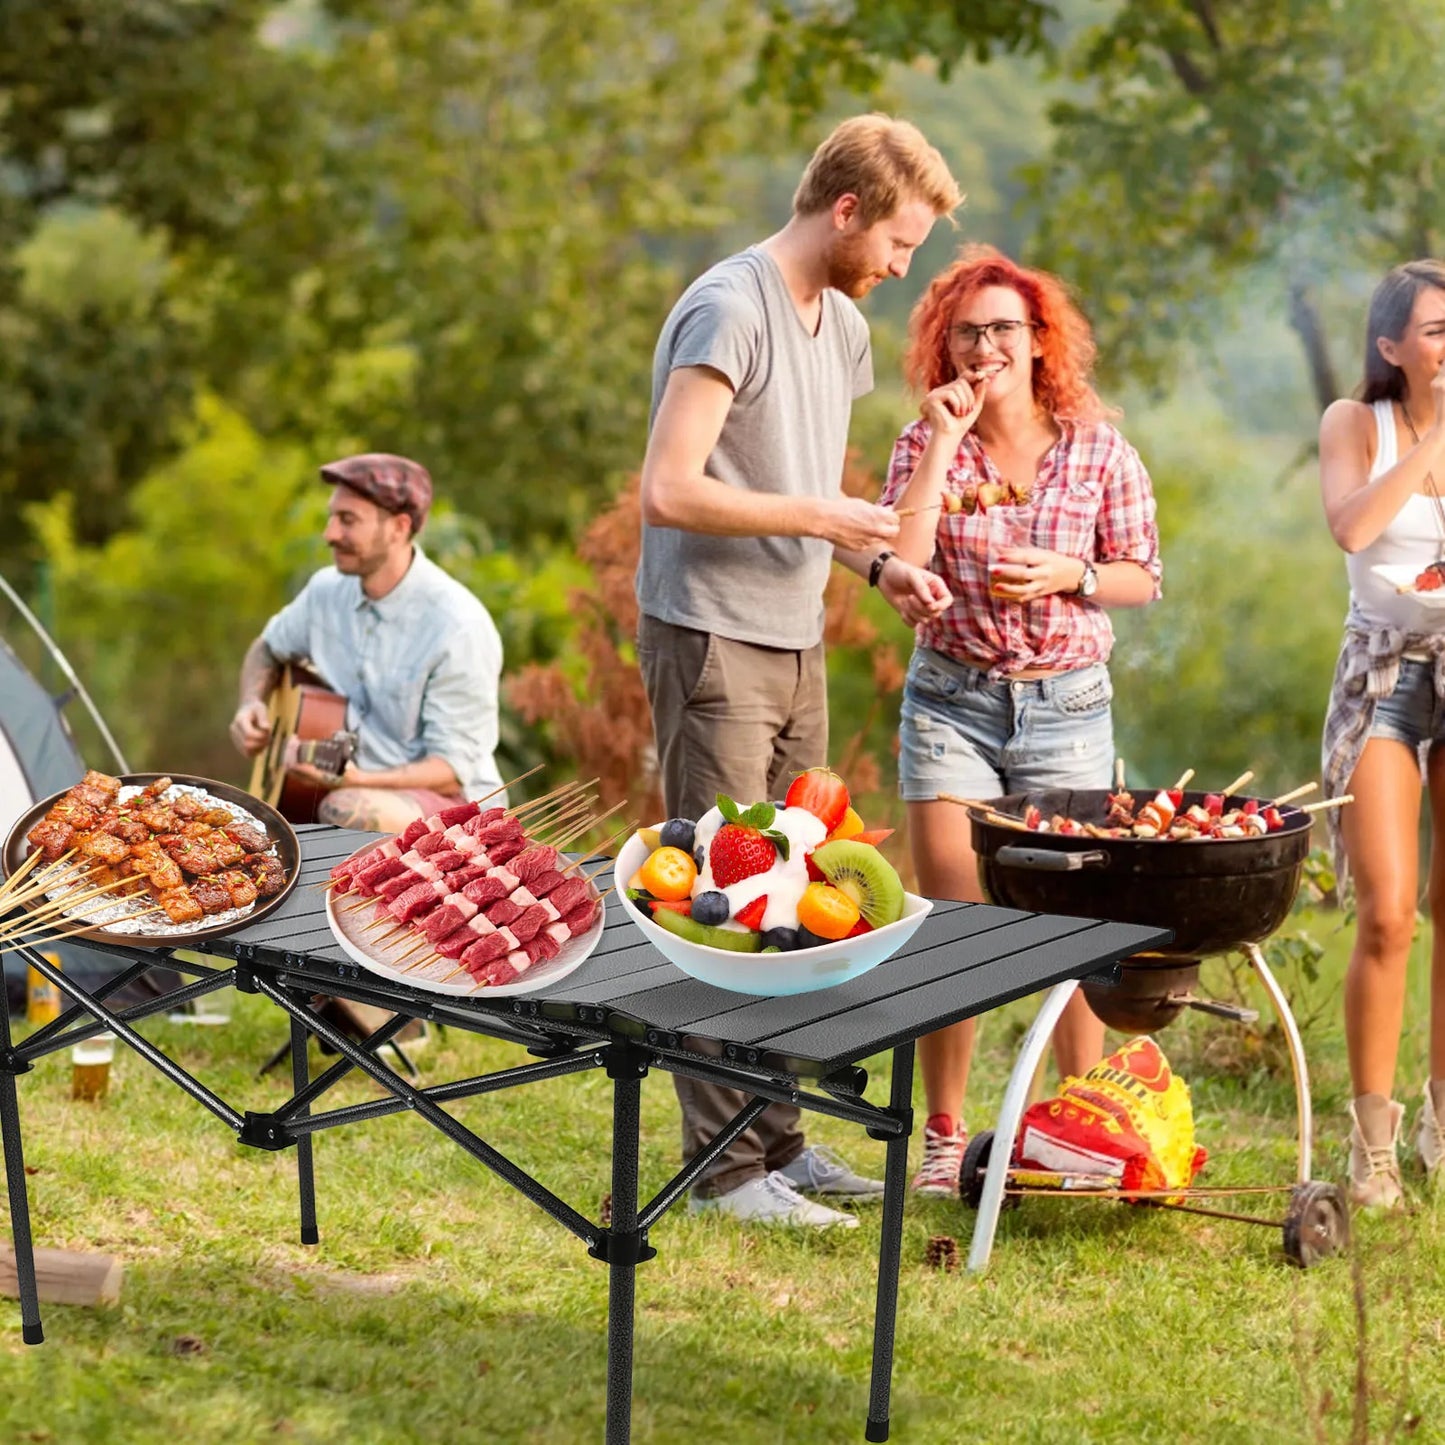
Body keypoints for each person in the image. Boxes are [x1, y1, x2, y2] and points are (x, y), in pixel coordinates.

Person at [636, 113, 961, 1228]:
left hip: (794, 633)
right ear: (845, 209)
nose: (899, 266)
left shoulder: (843, 328)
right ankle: (725, 1171)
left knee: (792, 892)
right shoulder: (730, 306)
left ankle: (779, 1141)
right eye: (898, 243)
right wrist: (824, 512)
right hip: (710, 632)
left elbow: (802, 488)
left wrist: (872, 565)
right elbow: (669, 488)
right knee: (718, 894)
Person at [877, 245, 1161, 1195]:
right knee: (955, 920)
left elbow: (1139, 574)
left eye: (1004, 328)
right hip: (951, 698)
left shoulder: (1096, 446)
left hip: (1067, 703)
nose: (986, 345)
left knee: (1070, 927)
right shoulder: (925, 440)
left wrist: (1068, 573)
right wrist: (945, 442)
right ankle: (945, 1137)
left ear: (1039, 342)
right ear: (944, 344)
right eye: (968, 331)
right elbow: (899, 558)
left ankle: (1071, 1129)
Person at [1319, 259, 1445, 1209]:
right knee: (1388, 909)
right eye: (1436, 331)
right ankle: (1372, 1147)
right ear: (1391, 344)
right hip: (1384, 677)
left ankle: (1442, 1119)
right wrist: (1428, 439)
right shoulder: (1354, 424)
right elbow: (1353, 531)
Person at [230, 453, 505, 835]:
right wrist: (251, 704)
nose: (329, 534)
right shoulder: (326, 591)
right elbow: (267, 648)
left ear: (399, 526)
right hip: (344, 785)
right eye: (332, 517)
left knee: (347, 810)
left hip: (450, 807)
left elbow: (450, 771)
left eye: (348, 520)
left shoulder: (459, 625)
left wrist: (354, 781)